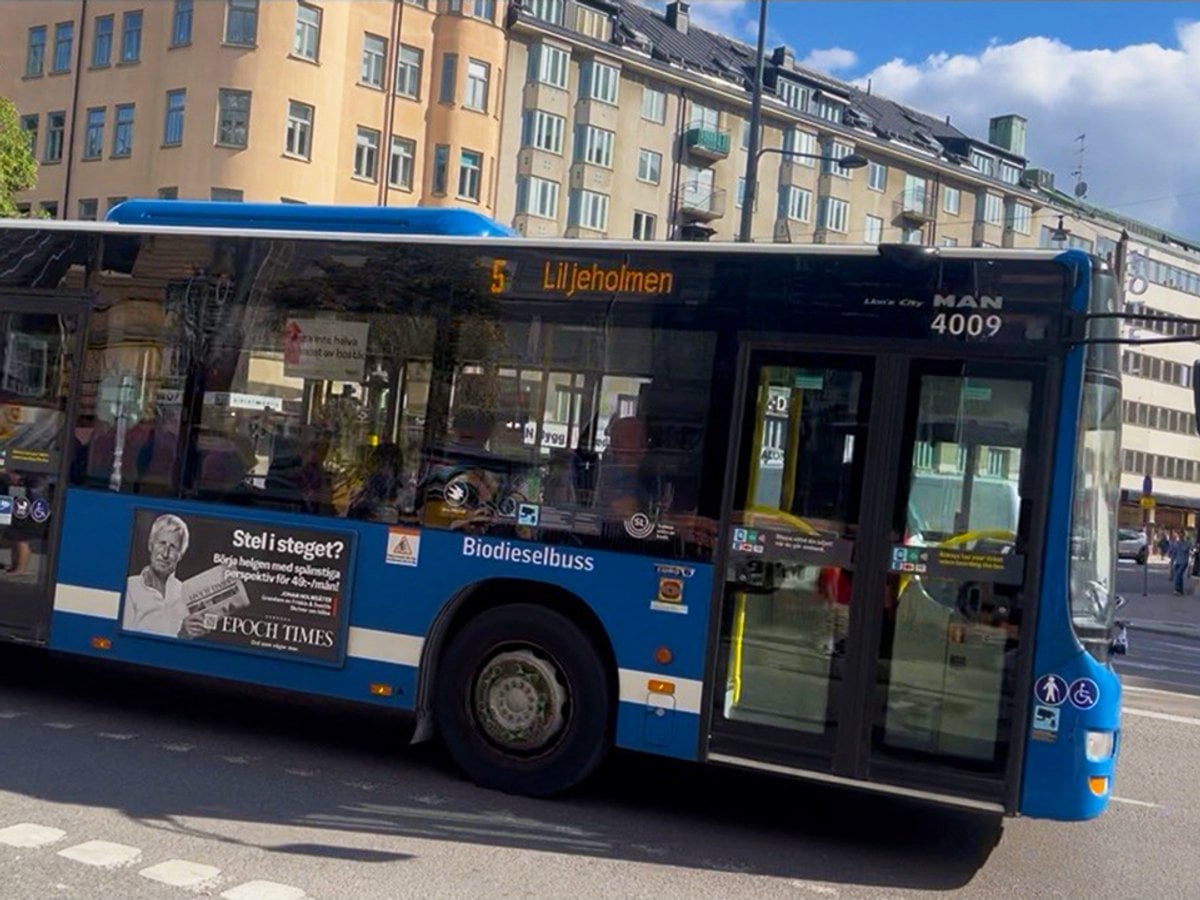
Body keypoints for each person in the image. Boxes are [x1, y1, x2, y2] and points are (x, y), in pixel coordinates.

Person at [123, 513, 207, 637]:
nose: (165, 554)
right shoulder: (130, 587)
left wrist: (185, 634)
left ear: (180, 555)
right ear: (150, 545)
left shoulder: (186, 593)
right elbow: (126, 638)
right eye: (162, 543)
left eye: (173, 547)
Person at [1168, 529, 1193, 595]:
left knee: (1178, 574)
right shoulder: (1176, 543)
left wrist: (1190, 567)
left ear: (1184, 535)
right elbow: (1173, 554)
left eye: (1182, 534)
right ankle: (1181, 590)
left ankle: (1176, 589)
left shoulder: (1187, 543)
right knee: (1180, 576)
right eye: (1179, 534)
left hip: (1184, 562)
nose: (1180, 535)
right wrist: (1171, 562)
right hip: (1177, 562)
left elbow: (1187, 550)